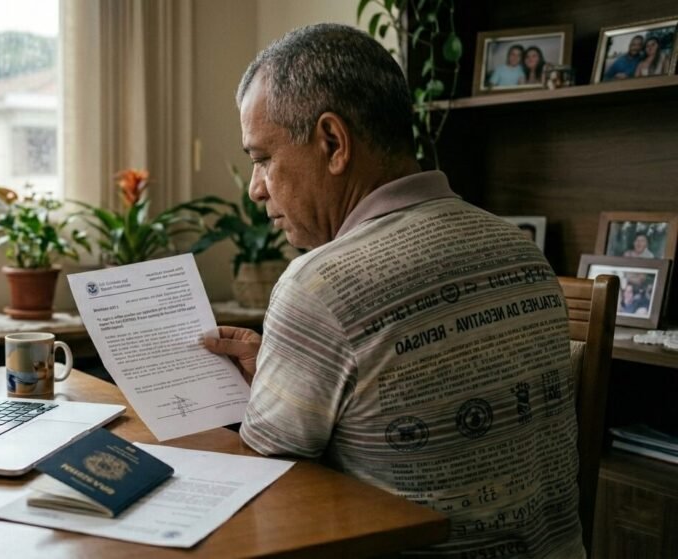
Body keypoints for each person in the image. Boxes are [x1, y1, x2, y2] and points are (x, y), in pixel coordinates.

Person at [204, 24, 584, 558]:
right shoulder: (521, 249)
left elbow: (258, 487)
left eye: (263, 157)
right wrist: (283, 367)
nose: (256, 187)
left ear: (333, 143)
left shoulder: (319, 284)